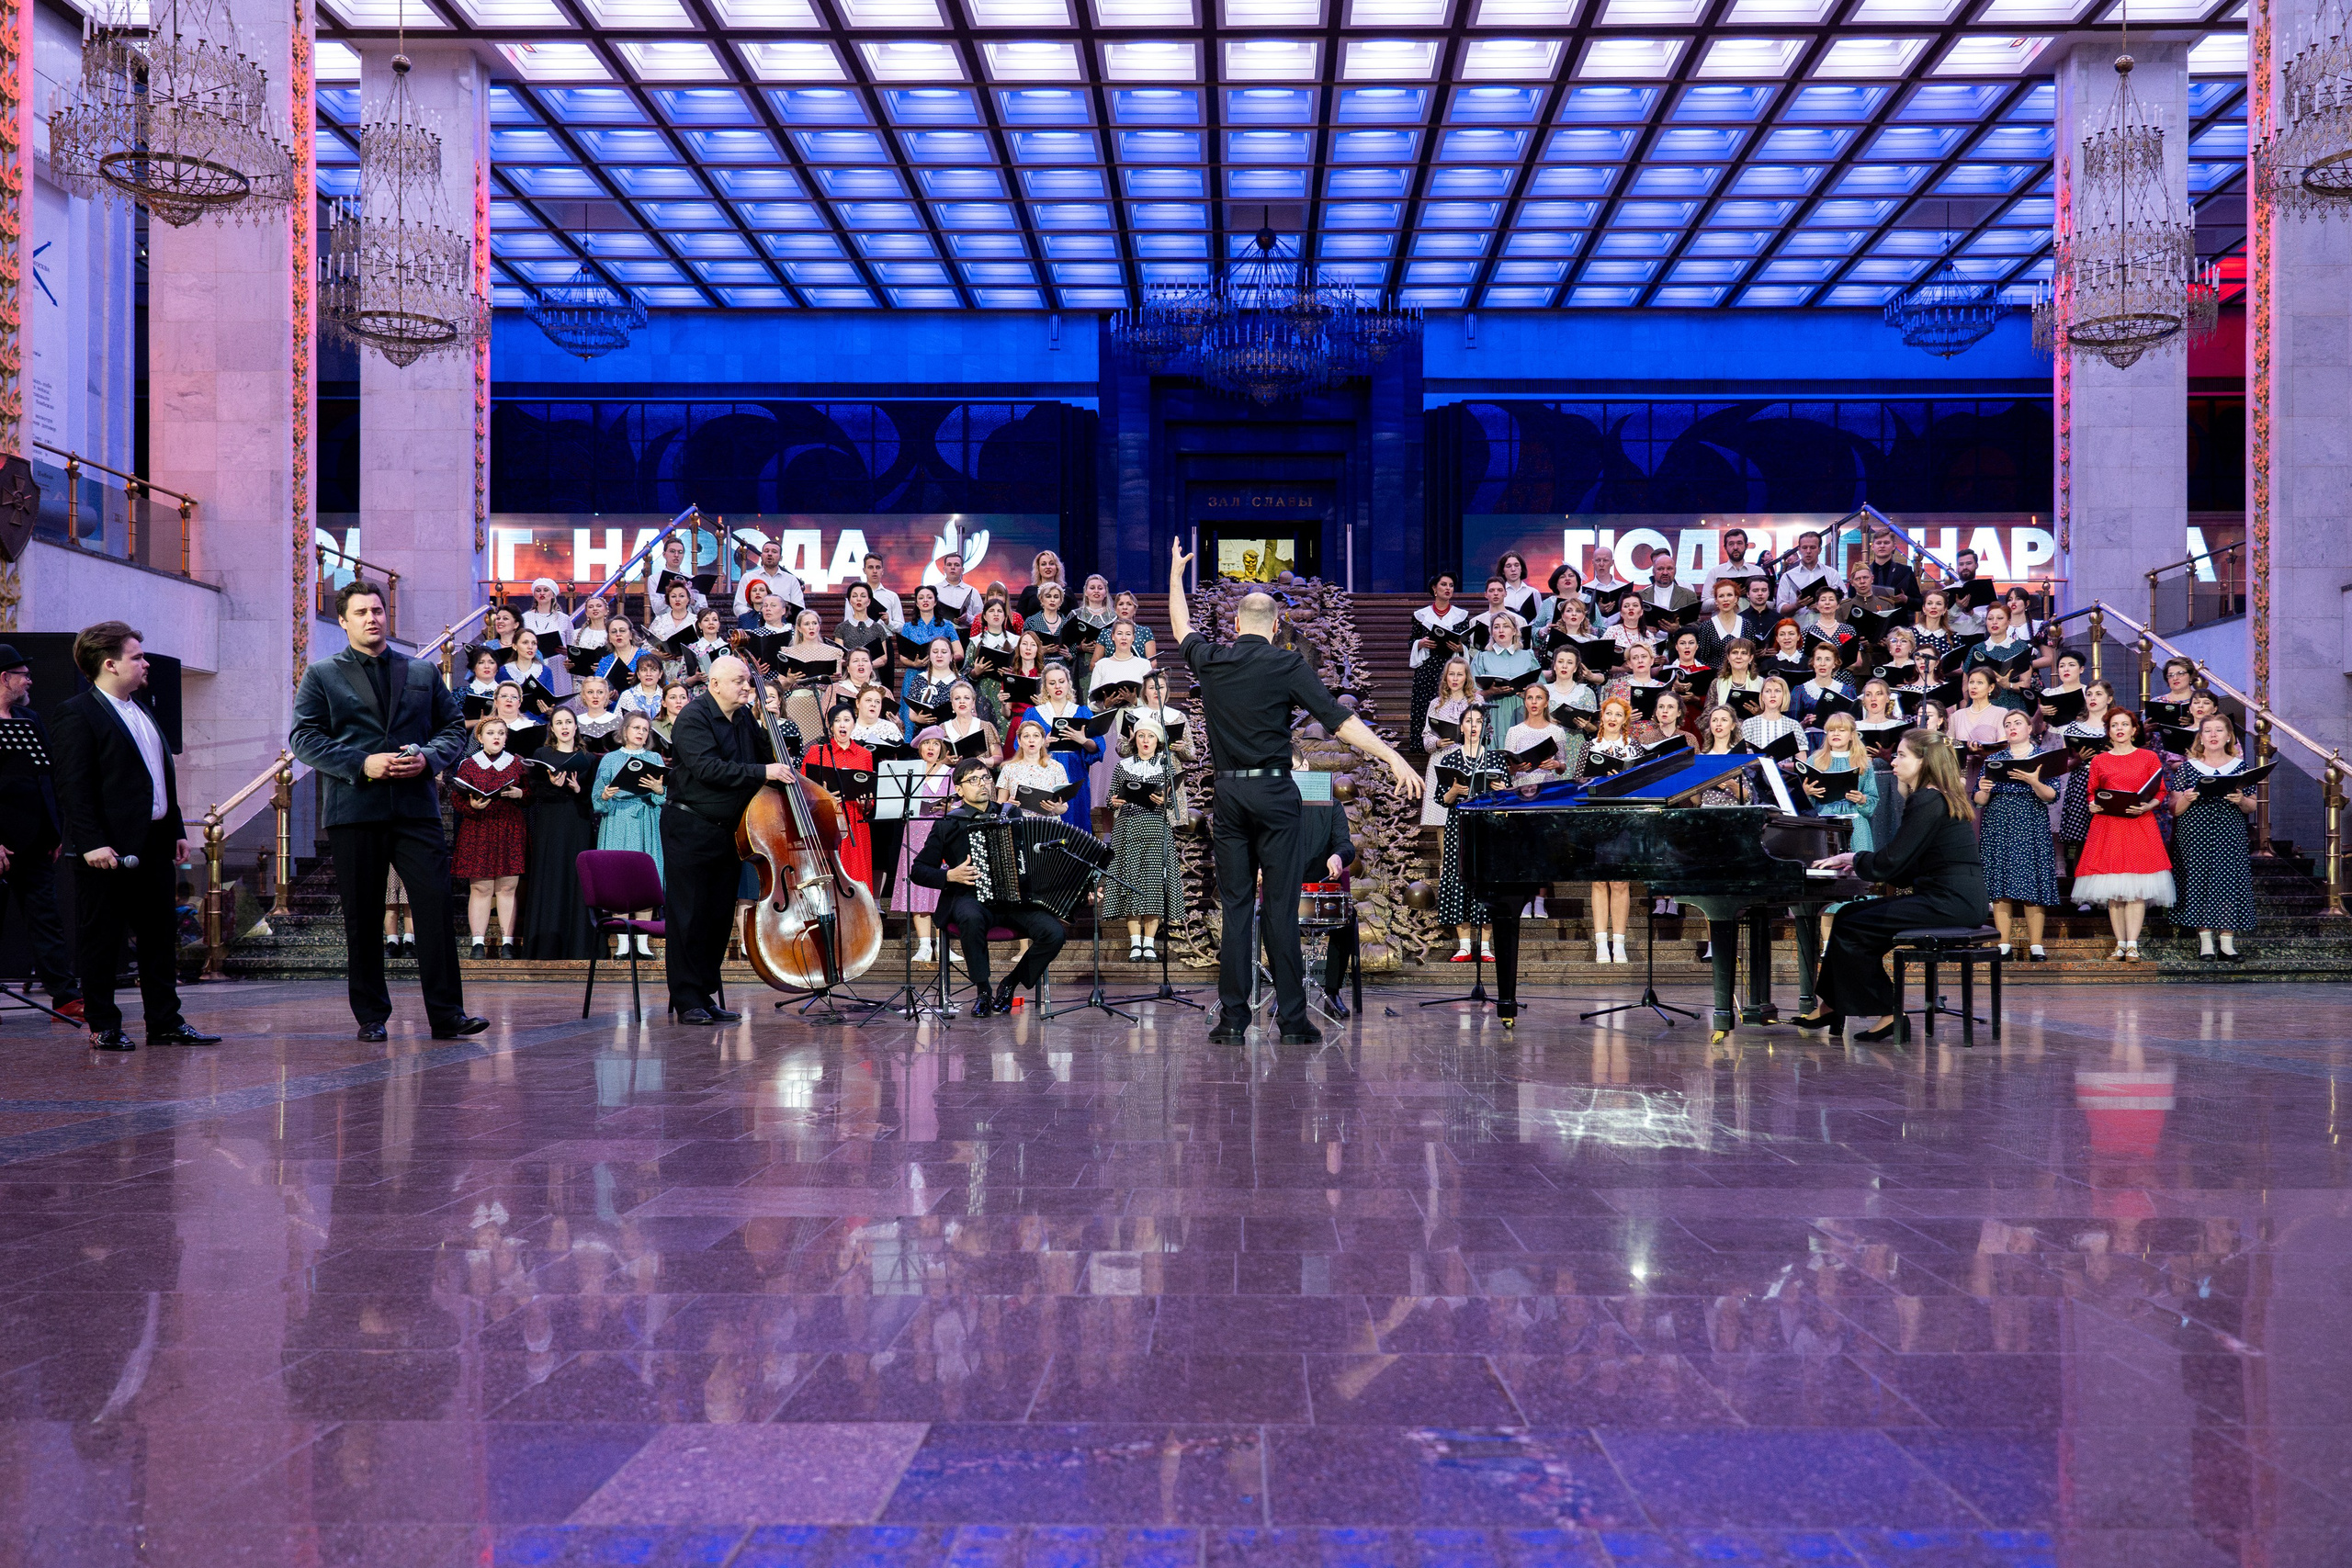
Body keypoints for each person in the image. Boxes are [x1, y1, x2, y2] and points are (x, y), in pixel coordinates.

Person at [1168, 539, 1420, 1043]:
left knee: (1238, 907)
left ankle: (1233, 1020)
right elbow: (1340, 721)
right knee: (1280, 907)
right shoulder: (1287, 664)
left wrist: (1176, 576)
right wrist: (1392, 755)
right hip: (1275, 793)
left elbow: (1181, 628)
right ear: (1277, 626)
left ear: (1236, 625)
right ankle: (1291, 1021)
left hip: (1229, 796)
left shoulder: (1212, 659)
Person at [291, 582, 485, 1043]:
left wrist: (430, 759)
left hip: (415, 808)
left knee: (436, 908)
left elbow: (453, 727)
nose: (371, 618)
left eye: (377, 610)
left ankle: (447, 1014)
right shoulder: (322, 674)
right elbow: (305, 738)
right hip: (356, 809)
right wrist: (362, 763)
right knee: (362, 914)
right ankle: (371, 1016)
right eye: (360, 612)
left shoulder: (419, 671)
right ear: (343, 621)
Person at [49, 624, 215, 1051]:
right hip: (107, 850)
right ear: (109, 664)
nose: (145, 664)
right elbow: (73, 786)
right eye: (137, 657)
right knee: (102, 938)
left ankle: (165, 1021)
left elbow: (157, 779)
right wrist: (90, 843)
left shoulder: (143, 711)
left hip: (155, 843)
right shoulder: (78, 713)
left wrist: (174, 829)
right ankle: (104, 1024)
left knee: (160, 937)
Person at [1801, 732, 1988, 1043]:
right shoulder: (1938, 795)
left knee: (1853, 924)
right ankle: (1832, 1004)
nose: (1893, 760)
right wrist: (1866, 865)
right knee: (1849, 915)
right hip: (1953, 897)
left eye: (1901, 755)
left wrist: (1855, 858)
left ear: (1923, 761)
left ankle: (1889, 1011)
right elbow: (1908, 863)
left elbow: (1894, 860)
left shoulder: (1927, 798)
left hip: (1950, 901)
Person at [662, 656, 796, 1023]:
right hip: (690, 827)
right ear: (715, 684)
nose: (746, 687)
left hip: (731, 831)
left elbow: (769, 759)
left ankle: (704, 995)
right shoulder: (693, 718)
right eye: (739, 681)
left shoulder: (744, 720)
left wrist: (769, 724)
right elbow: (708, 768)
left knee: (718, 916)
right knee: (689, 915)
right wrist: (762, 770)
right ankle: (687, 998)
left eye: (748, 682)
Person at [912, 757, 1070, 1013]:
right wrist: (949, 875)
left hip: (1014, 898)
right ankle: (983, 990)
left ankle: (1010, 983)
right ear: (960, 790)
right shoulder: (949, 823)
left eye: (985, 777)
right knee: (970, 918)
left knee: (1054, 933)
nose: (982, 784)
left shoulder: (1011, 814)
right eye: (973, 780)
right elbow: (919, 870)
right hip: (970, 896)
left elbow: (1031, 854)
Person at [0, 646, 82, 1017]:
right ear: (4, 678)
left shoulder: (28, 719)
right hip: (2, 842)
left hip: (35, 841)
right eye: (23, 674)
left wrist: (55, 830)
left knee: (47, 920)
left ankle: (64, 994)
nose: (29, 680)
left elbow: (49, 778)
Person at [2075, 709, 2175, 962]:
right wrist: (2092, 804)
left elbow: (2161, 791)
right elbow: (2091, 792)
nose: (2119, 729)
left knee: (2136, 888)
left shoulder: (2148, 757)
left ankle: (2133, 945)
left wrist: (2148, 805)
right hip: (2108, 825)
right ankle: (2120, 944)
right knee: (2114, 890)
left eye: (2125, 724)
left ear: (2134, 729)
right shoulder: (2099, 761)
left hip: (2138, 824)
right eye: (2114, 725)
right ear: (2108, 731)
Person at [1973, 706, 2059, 962]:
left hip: (2030, 822)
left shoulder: (2043, 758)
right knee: (2000, 884)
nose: (2012, 727)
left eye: (2018, 722)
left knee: (2032, 880)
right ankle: (2003, 943)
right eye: (2008, 723)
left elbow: (2051, 795)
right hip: (1999, 823)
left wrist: (2033, 780)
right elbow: (1978, 801)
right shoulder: (1994, 759)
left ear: (2029, 728)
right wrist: (1983, 789)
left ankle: (2035, 945)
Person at [2171, 714, 2258, 962]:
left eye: (2218, 730)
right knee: (2198, 882)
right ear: (2201, 736)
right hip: (2195, 833)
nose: (2212, 735)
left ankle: (2227, 944)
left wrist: (2241, 800)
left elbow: (2252, 806)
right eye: (2207, 731)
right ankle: (2206, 943)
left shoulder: (2240, 767)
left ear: (2229, 736)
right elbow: (2174, 809)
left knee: (2229, 883)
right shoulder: (2189, 767)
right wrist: (2186, 799)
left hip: (2229, 832)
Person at [1432, 704, 1509, 964]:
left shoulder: (1496, 758)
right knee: (1459, 880)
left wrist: (1500, 790)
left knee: (1487, 884)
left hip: (1488, 827)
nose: (1473, 726)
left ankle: (1485, 946)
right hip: (1460, 826)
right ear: (1461, 727)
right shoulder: (1450, 759)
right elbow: (1440, 799)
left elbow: (1507, 799)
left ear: (1484, 727)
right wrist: (1454, 792)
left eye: (1478, 721)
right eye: (1468, 721)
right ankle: (1464, 945)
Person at [521, 707, 598, 960]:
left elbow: (593, 798)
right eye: (559, 723)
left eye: (569, 722)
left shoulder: (588, 758)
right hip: (550, 822)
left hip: (578, 821)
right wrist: (552, 786)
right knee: (550, 876)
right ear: (551, 728)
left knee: (577, 878)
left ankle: (580, 947)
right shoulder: (542, 754)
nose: (564, 727)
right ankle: (545, 946)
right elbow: (534, 792)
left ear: (576, 727)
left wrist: (577, 789)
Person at [1104, 717, 1183, 960]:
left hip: (1155, 828)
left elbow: (1173, 803)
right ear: (1135, 739)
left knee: (1153, 887)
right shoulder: (1123, 766)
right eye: (1141, 736)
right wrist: (1114, 801)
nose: (1145, 741)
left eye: (1150, 736)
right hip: (1128, 828)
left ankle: (1149, 943)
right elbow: (1110, 798)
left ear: (1158, 740)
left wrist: (1164, 801)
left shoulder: (1166, 766)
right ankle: (1135, 942)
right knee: (1131, 884)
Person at [1578, 698, 1642, 963]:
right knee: (1598, 880)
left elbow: (1643, 787)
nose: (1613, 718)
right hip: (1595, 817)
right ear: (1601, 717)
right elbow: (1578, 784)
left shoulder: (1633, 748)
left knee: (1620, 881)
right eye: (1608, 714)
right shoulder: (1589, 747)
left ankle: (1620, 943)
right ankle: (1601, 944)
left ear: (1625, 720)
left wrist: (1621, 781)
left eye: (1619, 714)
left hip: (1624, 819)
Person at [893, 729, 956, 965]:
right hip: (916, 835)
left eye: (935, 744)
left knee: (943, 889)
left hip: (943, 836)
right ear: (919, 748)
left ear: (942, 748)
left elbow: (960, 803)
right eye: (926, 744)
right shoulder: (910, 773)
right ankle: (923, 944)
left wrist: (948, 807)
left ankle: (944, 944)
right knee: (919, 888)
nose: (931, 748)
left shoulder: (950, 774)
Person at [805, 705, 878, 890]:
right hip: (826, 820)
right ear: (830, 727)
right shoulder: (817, 752)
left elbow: (870, 794)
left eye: (847, 720)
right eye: (837, 721)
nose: (842, 725)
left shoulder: (865, 755)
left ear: (854, 724)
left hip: (855, 820)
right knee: (827, 877)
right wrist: (822, 795)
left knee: (856, 878)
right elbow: (804, 789)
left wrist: (867, 803)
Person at [1419, 655, 1476, 828]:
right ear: (1445, 677)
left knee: (1467, 817)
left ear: (1466, 677)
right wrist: (1437, 743)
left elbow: (1486, 733)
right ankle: (1444, 856)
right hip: (1441, 760)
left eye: (1459, 675)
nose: (1455, 679)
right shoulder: (1436, 704)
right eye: (1451, 674)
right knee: (1441, 819)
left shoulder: (1476, 702)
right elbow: (1427, 737)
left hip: (1468, 758)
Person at [1471, 610, 1538, 735]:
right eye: (1496, 627)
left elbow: (1541, 688)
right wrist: (1488, 692)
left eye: (1506, 626)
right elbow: (1470, 693)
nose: (1501, 630)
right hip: (1493, 710)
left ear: (1514, 631)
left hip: (1522, 710)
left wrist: (1528, 693)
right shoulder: (1482, 657)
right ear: (1491, 632)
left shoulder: (1528, 656)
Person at [733, 536, 805, 627]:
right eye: (766, 551)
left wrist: (779, 616)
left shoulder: (791, 580)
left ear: (781, 558)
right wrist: (756, 614)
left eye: (774, 552)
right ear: (761, 555)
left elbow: (799, 608)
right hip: (754, 626)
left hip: (784, 628)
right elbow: (738, 606)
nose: (770, 554)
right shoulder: (748, 577)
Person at [836, 581, 891, 674]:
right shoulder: (841, 628)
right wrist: (855, 666)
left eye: (863, 596)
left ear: (869, 601)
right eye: (854, 596)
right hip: (848, 677)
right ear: (849, 601)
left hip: (872, 677)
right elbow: (839, 657)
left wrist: (866, 666)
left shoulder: (878, 628)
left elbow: (883, 658)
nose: (858, 599)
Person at [1773, 530, 1835, 610]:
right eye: (1804, 547)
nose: (1808, 551)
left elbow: (1843, 601)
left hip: (1825, 621)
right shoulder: (1788, 576)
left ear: (1819, 550)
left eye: (1812, 547)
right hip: (1798, 622)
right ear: (1799, 550)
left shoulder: (1831, 574)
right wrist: (1796, 606)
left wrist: (1825, 606)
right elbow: (1780, 608)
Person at [1865, 525, 1922, 611]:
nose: (1882, 546)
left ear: (1894, 547)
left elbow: (1919, 604)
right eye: (1879, 543)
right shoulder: (1864, 572)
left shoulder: (1905, 571)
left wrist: (1906, 599)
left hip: (1897, 621)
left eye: (1886, 543)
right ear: (1873, 547)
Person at [1703, 526, 1769, 599]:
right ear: (1725, 547)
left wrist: (1755, 597)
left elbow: (1770, 603)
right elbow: (1704, 604)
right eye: (1731, 544)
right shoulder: (1715, 572)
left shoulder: (1758, 571)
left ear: (1746, 546)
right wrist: (1729, 597)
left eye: (1739, 543)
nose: (1735, 547)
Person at [929, 550, 982, 625]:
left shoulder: (972, 591)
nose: (953, 567)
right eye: (949, 565)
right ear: (944, 569)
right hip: (940, 633)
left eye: (957, 565)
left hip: (966, 633)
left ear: (962, 570)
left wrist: (967, 618)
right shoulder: (934, 590)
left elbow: (981, 619)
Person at [1015, 548, 1069, 618]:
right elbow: (1019, 619)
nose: (1048, 567)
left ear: (1057, 568)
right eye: (1043, 564)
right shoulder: (1028, 591)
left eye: (1051, 564)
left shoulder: (1067, 592)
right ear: (1038, 568)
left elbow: (1074, 619)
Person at [858, 552, 905, 627]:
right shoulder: (855, 596)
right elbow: (847, 623)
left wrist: (888, 622)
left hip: (885, 637)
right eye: (870, 567)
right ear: (864, 570)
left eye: (878, 567)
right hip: (861, 637)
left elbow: (901, 627)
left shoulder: (892, 596)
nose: (874, 571)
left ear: (882, 571)